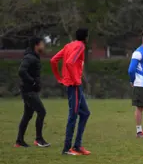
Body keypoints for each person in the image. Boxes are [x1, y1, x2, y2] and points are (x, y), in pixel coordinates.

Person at [50, 28, 92, 156]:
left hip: (71, 84)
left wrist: (58, 78)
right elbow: (69, 62)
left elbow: (53, 60)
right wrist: (76, 80)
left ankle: (77, 146)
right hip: (74, 86)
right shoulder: (80, 46)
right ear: (85, 37)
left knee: (85, 113)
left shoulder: (69, 45)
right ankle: (67, 149)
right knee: (73, 116)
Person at [15, 37, 50, 148]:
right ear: (36, 45)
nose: (43, 46)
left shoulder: (34, 57)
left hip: (30, 90)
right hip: (29, 91)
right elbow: (21, 71)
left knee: (27, 115)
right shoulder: (30, 57)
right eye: (42, 44)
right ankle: (38, 139)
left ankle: (19, 141)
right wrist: (33, 82)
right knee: (42, 112)